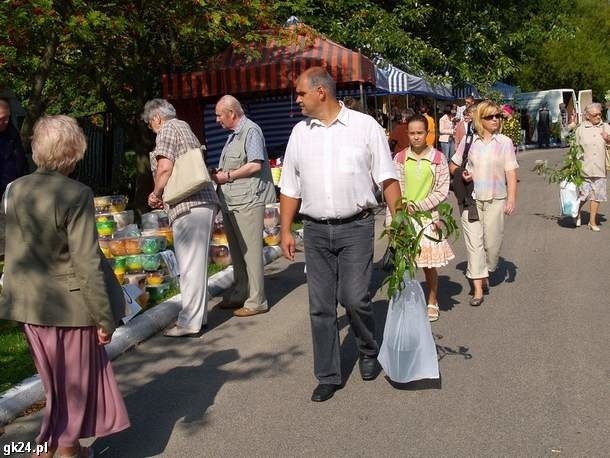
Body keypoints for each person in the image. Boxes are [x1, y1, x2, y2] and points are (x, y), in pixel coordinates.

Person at [0, 115, 130, 458]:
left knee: (55, 385)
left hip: (27, 305)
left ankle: (54, 448)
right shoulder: (76, 194)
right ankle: (60, 451)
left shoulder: (14, 189)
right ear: (72, 154)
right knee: (72, 388)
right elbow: (86, 262)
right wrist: (104, 318)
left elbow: (5, 243)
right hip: (69, 309)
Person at [279, 67, 401, 402]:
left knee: (355, 297)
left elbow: (387, 178)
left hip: (356, 227)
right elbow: (290, 186)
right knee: (320, 306)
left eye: (301, 93)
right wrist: (285, 229)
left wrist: (399, 220)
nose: (297, 99)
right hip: (316, 231)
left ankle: (367, 349)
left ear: (321, 92)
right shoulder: (299, 134)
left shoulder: (365, 127)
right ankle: (328, 375)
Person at [142, 99, 219, 337]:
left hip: (187, 204)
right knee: (196, 265)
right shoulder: (184, 126)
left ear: (156, 118)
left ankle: (189, 323)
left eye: (149, 123)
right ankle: (199, 318)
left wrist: (155, 193)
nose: (151, 128)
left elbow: (165, 166)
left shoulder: (166, 129)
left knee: (189, 267)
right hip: (203, 201)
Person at [212, 95, 276, 316]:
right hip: (233, 202)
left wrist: (227, 176)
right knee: (238, 253)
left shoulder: (251, 131)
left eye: (219, 115)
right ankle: (241, 292)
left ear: (232, 113)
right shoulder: (234, 135)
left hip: (248, 201)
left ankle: (257, 300)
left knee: (251, 252)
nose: (217, 120)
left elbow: (255, 164)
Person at [386, 114, 455, 322]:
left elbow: (442, 190)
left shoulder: (438, 158)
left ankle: (432, 300)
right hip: (403, 217)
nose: (416, 137)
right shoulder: (399, 158)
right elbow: (393, 190)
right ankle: (407, 302)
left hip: (427, 217)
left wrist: (418, 206)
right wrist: (392, 220)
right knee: (404, 264)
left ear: (428, 133)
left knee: (428, 265)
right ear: (407, 134)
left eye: (420, 133)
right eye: (412, 133)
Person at [449, 100, 518, 306]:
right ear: (480, 119)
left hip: (496, 199)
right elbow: (453, 165)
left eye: (497, 115)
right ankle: (477, 288)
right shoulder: (469, 141)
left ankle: (486, 270)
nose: (495, 119)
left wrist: (512, 198)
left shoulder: (505, 142)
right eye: (490, 116)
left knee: (492, 244)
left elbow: (511, 172)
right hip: (471, 200)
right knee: (474, 244)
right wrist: (463, 172)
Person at [574, 103, 610, 231]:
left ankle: (592, 222)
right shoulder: (581, 129)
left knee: (597, 196)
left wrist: (608, 140)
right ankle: (576, 212)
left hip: (600, 168)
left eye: (600, 114)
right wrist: (574, 166)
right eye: (595, 115)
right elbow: (575, 148)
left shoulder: (605, 127)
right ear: (587, 116)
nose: (599, 116)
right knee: (583, 195)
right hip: (585, 168)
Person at [0, 98, 28, 196]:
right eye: (2, 118)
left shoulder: (12, 132)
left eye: (8, 117)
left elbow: (21, 158)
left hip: (15, 191)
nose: (6, 121)